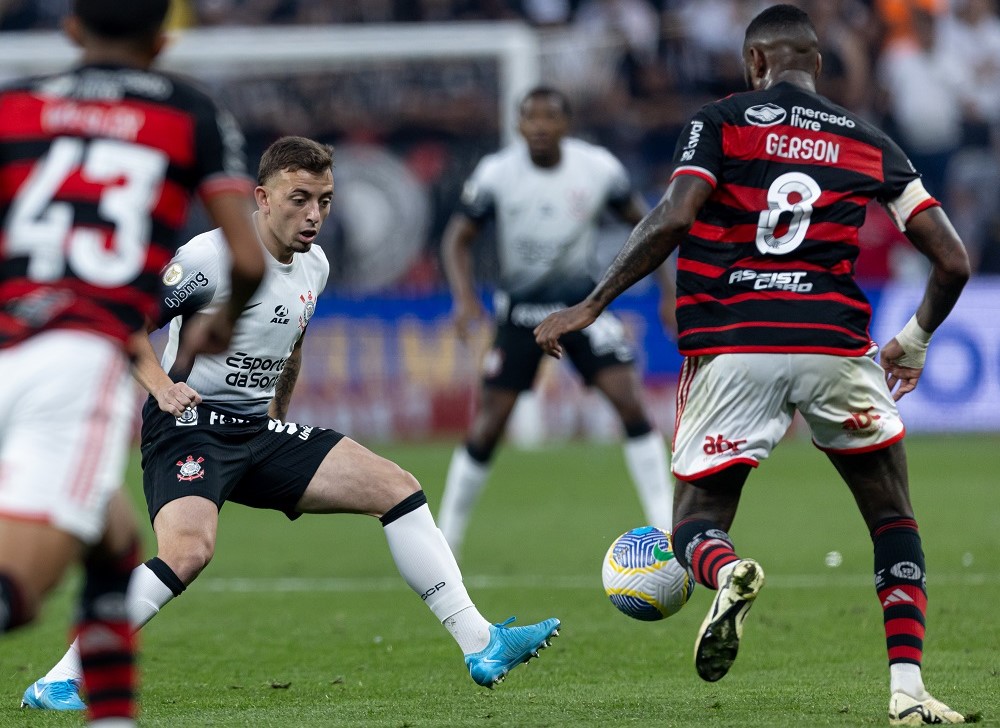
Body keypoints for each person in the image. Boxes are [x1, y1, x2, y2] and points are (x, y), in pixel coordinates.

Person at [535, 5, 970, 725]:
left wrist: (590, 303)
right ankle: (907, 689)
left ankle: (725, 568)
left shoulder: (721, 119)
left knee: (695, 524)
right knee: (892, 516)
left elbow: (675, 215)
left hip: (735, 343)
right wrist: (916, 339)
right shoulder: (867, 138)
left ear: (755, 63)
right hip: (835, 345)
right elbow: (953, 258)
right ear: (817, 66)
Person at [23, 135, 561, 711]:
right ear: (261, 197)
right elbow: (125, 321)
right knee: (188, 550)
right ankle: (62, 678)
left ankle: (480, 643)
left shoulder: (317, 265)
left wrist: (280, 416)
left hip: (257, 431)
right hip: (190, 426)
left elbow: (292, 343)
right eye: (300, 198)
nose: (314, 215)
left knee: (398, 489)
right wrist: (162, 386)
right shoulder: (210, 259)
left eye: (325, 201)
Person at [0, 1, 266, 725]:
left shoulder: (14, 106)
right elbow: (248, 257)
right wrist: (221, 325)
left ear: (71, 31)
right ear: (162, 39)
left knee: (117, 547)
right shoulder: (187, 111)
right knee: (17, 591)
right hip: (76, 358)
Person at [437, 85, 675, 559]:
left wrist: (669, 291)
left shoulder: (598, 168)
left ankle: (667, 528)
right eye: (531, 118)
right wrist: (465, 299)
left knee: (629, 402)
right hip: (520, 311)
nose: (541, 126)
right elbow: (457, 237)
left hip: (580, 306)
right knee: (488, 426)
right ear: (518, 124)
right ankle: (445, 539)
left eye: (550, 118)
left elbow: (650, 225)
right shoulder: (496, 174)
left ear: (566, 124)